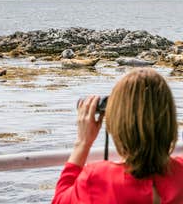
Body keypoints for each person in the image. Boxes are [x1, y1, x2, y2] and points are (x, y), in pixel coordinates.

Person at [52, 68, 183, 204]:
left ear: (117, 123)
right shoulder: (180, 173)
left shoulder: (98, 178)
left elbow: (59, 200)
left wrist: (82, 143)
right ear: (169, 120)